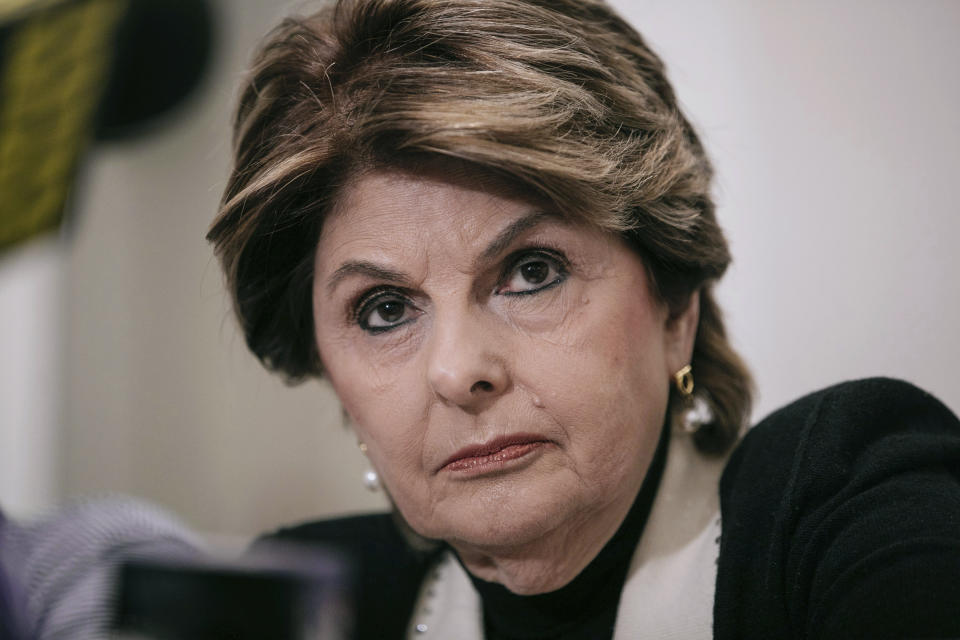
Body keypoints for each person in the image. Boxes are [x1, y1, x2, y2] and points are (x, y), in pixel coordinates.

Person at [207, 1, 960, 638]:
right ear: (337, 385)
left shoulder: (845, 495)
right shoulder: (310, 600)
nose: (458, 368)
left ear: (675, 305)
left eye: (532, 272)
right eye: (384, 309)